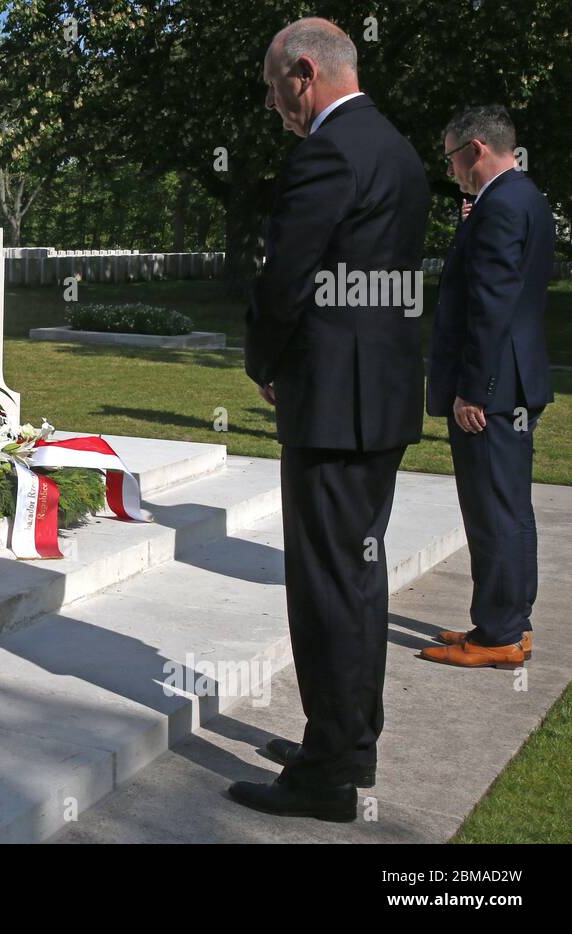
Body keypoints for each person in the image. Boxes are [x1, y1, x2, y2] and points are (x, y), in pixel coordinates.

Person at [232, 17, 429, 822]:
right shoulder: (399, 150)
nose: (277, 108)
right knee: (358, 578)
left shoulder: (327, 150)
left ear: (304, 72)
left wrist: (265, 362)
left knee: (324, 588)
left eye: (276, 90)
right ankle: (346, 743)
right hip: (376, 400)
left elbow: (289, 276)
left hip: (332, 407)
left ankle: (327, 777)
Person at [420, 105, 554, 670]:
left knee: (492, 509)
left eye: (451, 157)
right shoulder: (526, 197)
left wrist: (473, 389)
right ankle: (507, 621)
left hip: (493, 388)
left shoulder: (500, 205)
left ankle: (499, 633)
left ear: (475, 149)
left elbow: (489, 305)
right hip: (516, 381)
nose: (450, 169)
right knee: (510, 506)